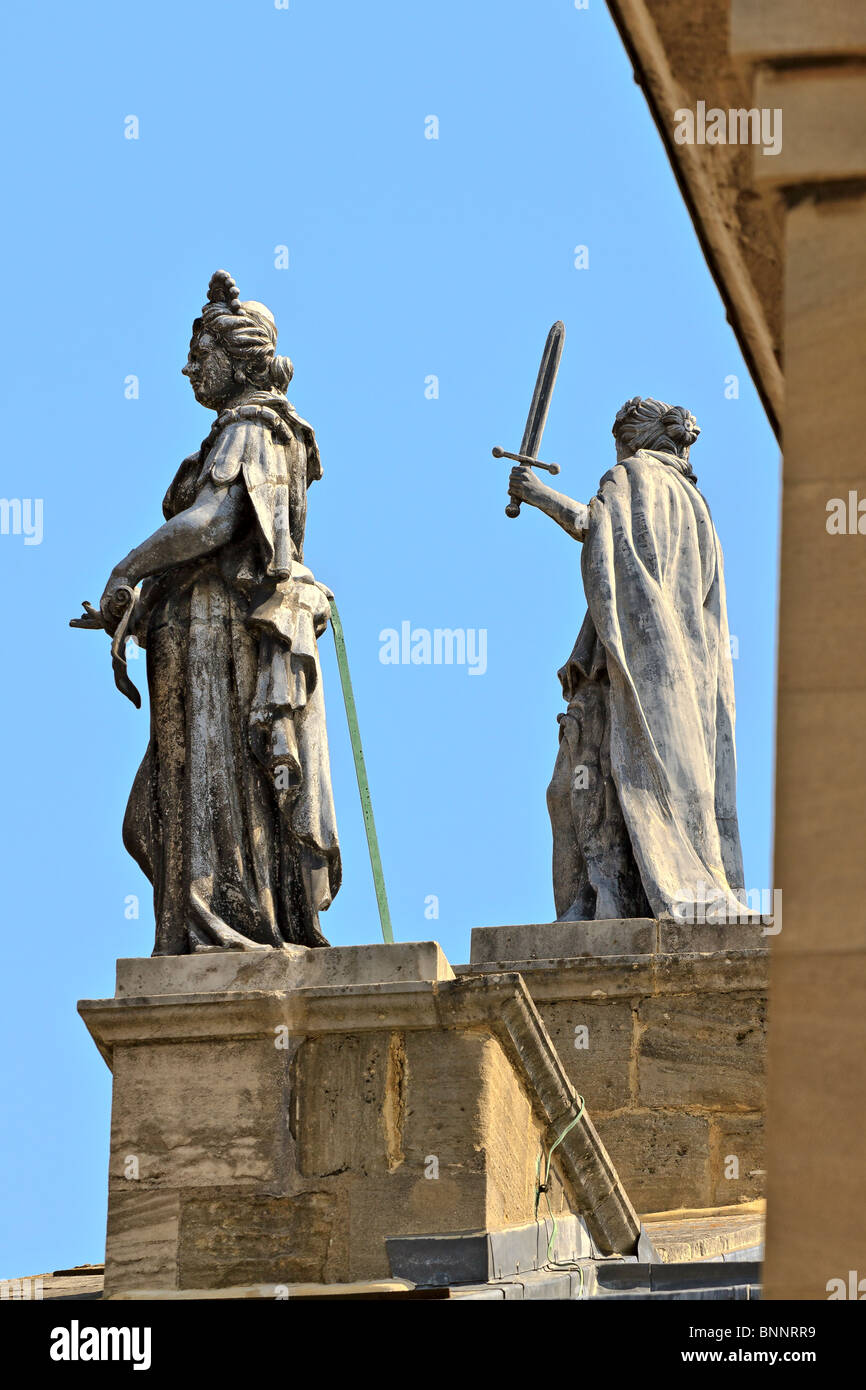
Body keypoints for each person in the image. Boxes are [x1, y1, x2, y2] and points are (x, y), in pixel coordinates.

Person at [98, 270, 340, 953]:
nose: (187, 368)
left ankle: (225, 922)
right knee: (185, 800)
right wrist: (140, 604)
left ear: (238, 360)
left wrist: (128, 566)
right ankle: (220, 918)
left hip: (216, 637)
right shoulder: (264, 430)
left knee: (211, 792)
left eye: (200, 355)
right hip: (200, 629)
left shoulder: (251, 427)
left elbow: (214, 520)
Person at [507, 396, 746, 923]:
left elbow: (597, 529)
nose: (615, 450)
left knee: (582, 781)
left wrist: (537, 493)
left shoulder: (632, 475)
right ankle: (612, 897)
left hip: (624, 668)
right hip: (680, 681)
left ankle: (597, 900)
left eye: (618, 440)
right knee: (620, 780)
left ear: (632, 439)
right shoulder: (697, 506)